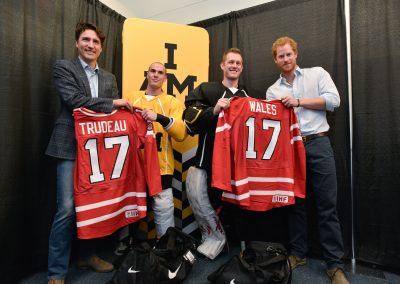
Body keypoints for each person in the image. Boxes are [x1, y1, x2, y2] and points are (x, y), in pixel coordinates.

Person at [46, 22, 133, 284]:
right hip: (69, 146)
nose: (90, 45)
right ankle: (56, 272)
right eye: (85, 40)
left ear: (101, 47)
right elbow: (74, 100)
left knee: (92, 205)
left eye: (95, 42)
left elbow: (114, 115)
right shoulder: (64, 67)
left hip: (98, 150)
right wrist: (112, 103)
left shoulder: (109, 77)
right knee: (67, 209)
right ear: (77, 43)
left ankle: (88, 255)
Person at [266, 36, 349, 284]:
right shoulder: (273, 90)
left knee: (327, 206)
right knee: (295, 205)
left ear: (296, 54)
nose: (285, 59)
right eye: (281, 56)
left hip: (318, 143)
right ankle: (298, 254)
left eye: (288, 54)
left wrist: (299, 102)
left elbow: (334, 101)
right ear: (275, 59)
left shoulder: (317, 74)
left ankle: (335, 266)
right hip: (290, 149)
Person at [184, 48, 260, 259]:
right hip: (209, 159)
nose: (234, 65)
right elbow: (188, 120)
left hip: (239, 162)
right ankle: (214, 238)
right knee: (205, 198)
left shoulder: (249, 96)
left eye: (238, 63)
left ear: (241, 67)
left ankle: (244, 246)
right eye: (230, 62)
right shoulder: (206, 90)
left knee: (241, 205)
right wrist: (214, 110)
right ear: (222, 65)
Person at [126, 62, 187, 238]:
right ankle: (129, 246)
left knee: (164, 209)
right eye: (152, 71)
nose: (155, 75)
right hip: (134, 164)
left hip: (161, 165)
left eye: (160, 72)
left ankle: (165, 249)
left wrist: (158, 117)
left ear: (165, 78)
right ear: (147, 74)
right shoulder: (132, 98)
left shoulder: (172, 102)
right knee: (131, 206)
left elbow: (181, 133)